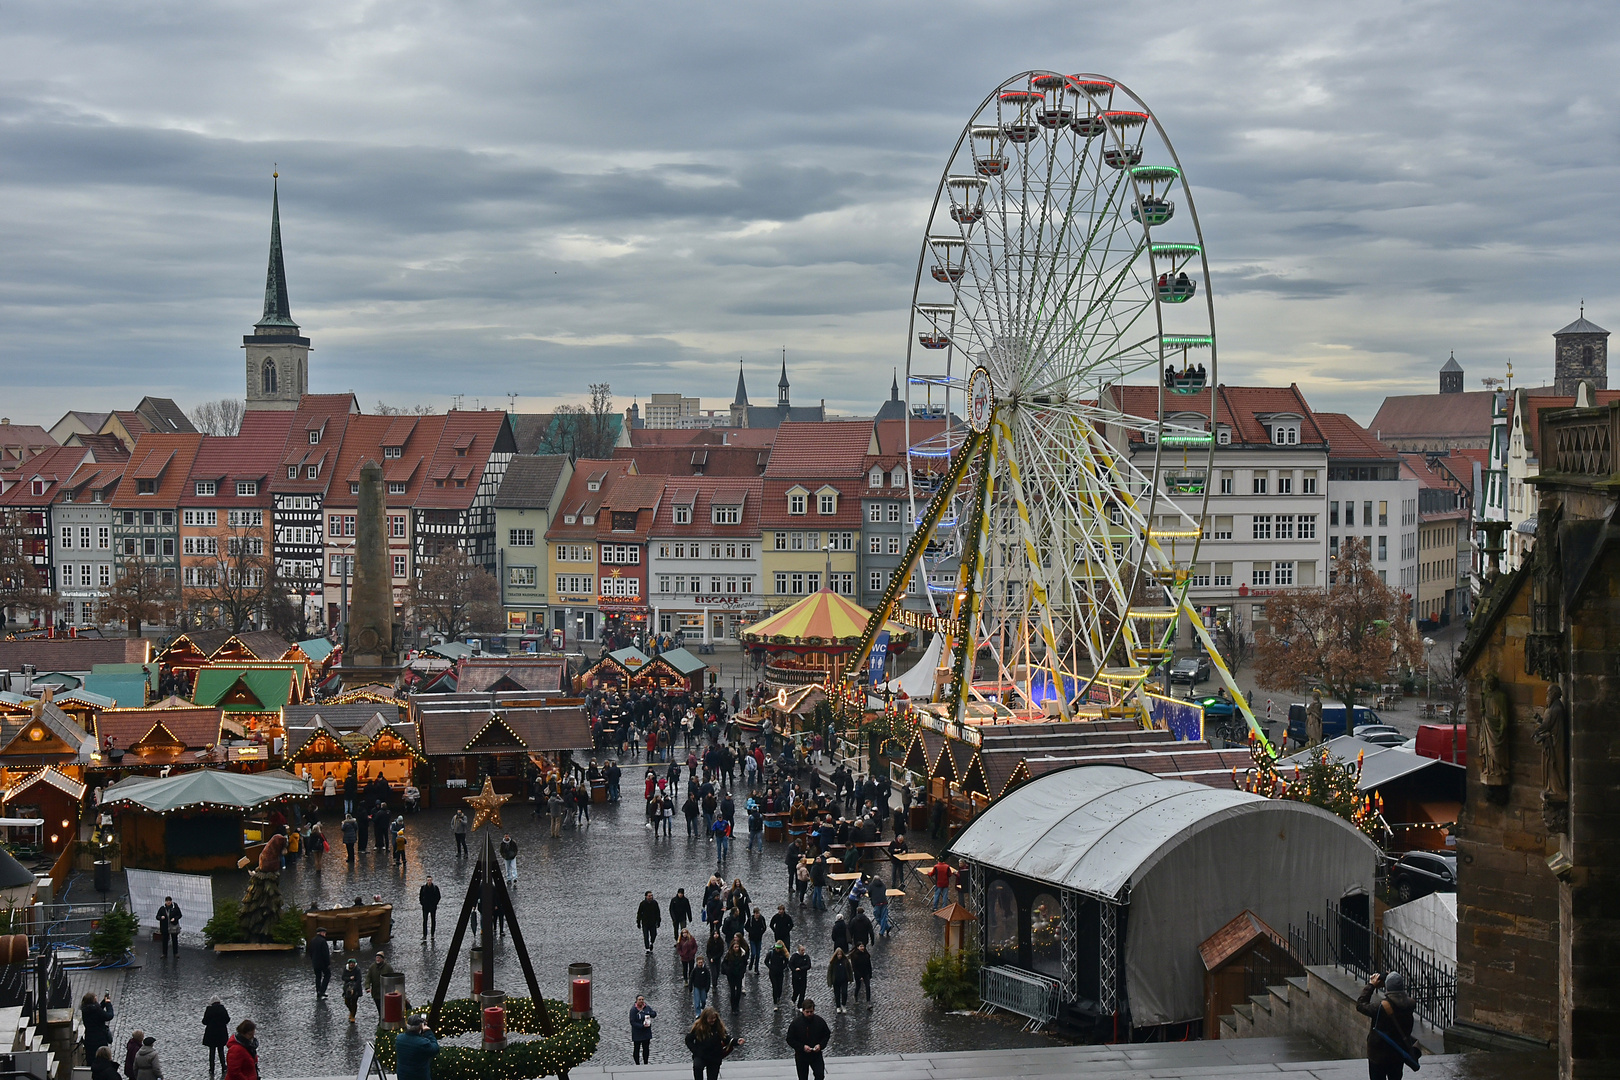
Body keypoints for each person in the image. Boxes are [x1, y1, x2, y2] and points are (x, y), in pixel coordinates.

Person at [1357, 972, 1421, 1079]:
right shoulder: (1410, 1004)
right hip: (1398, 1053)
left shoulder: (1381, 1007)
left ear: (1387, 987)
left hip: (1378, 1056)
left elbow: (1361, 1004)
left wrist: (1371, 985)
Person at [684, 1007, 742, 1080]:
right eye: (711, 1019)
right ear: (705, 1019)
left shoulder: (718, 1026)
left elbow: (726, 1038)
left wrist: (736, 1041)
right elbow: (688, 1040)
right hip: (701, 1055)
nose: (713, 1020)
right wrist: (695, 1051)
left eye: (714, 1018)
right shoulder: (698, 1027)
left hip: (714, 1056)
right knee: (697, 1067)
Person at [785, 998, 832, 1080]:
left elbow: (826, 1034)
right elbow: (790, 1039)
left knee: (820, 1075)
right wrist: (802, 1047)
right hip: (801, 1055)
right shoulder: (796, 1023)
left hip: (816, 1055)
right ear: (803, 1011)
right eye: (807, 1012)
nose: (809, 1014)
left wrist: (820, 1045)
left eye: (811, 1012)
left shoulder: (819, 1021)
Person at [394, 1014, 440, 1080]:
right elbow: (435, 1049)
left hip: (403, 1077)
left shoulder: (399, 1039)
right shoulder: (422, 1044)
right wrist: (428, 1032)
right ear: (420, 1027)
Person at [81, 992, 114, 1060]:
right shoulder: (96, 1010)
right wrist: (108, 1003)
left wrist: (103, 1002)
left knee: (91, 1058)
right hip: (100, 1039)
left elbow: (98, 1009)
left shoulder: (85, 1009)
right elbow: (109, 1016)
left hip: (89, 1038)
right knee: (102, 1057)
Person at [202, 999, 230, 1074]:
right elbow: (227, 1019)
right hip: (221, 1033)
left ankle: (211, 1068)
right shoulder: (222, 1009)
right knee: (221, 1051)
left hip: (211, 1033)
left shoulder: (209, 1009)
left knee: (212, 1051)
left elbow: (204, 1021)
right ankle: (223, 1066)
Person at [630, 994, 657, 1065]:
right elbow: (632, 1022)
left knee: (646, 1048)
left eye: (642, 999)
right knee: (637, 1048)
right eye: (640, 1000)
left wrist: (651, 1014)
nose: (641, 1001)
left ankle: (646, 1062)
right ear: (636, 1001)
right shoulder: (633, 1010)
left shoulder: (647, 1007)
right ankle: (637, 1063)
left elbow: (653, 1014)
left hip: (646, 1032)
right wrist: (641, 1026)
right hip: (637, 1033)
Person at [366, 952, 396, 1017]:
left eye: (379, 958)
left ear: (382, 959)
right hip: (376, 992)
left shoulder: (388, 967)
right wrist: (367, 987)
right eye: (376, 958)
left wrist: (392, 989)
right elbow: (368, 977)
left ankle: (385, 1019)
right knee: (379, 1007)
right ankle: (381, 1019)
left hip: (386, 992)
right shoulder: (372, 967)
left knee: (385, 1007)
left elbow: (393, 977)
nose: (377, 959)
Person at [721, 940, 748, 1010]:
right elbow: (724, 963)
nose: (736, 948)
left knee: (738, 991)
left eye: (737, 947)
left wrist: (742, 971)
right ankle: (733, 1006)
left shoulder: (742, 955)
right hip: (731, 975)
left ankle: (737, 1004)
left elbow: (745, 963)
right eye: (735, 947)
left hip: (739, 975)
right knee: (732, 991)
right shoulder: (729, 954)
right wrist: (727, 970)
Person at [825, 948, 853, 1014]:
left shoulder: (845, 961)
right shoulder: (833, 962)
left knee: (844, 993)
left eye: (840, 954)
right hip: (836, 981)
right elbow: (829, 972)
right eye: (838, 954)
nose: (839, 956)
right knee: (837, 994)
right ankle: (838, 1006)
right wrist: (830, 981)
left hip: (844, 980)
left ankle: (843, 1005)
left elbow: (850, 970)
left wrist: (850, 978)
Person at [765, 941, 789, 1009]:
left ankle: (778, 997)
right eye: (777, 949)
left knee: (780, 987)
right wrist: (770, 967)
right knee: (775, 987)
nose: (777, 950)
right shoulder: (771, 953)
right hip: (772, 973)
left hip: (780, 973)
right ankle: (775, 1002)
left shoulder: (782, 954)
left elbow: (786, 961)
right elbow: (766, 961)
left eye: (779, 949)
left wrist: (783, 967)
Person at [309, 927, 332, 997]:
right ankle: (322, 990)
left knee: (318, 977)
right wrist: (328, 963)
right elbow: (325, 954)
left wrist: (312, 960)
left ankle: (318, 990)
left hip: (315, 962)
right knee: (327, 975)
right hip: (323, 963)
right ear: (321, 933)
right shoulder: (323, 941)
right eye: (324, 933)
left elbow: (310, 952)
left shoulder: (312, 940)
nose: (325, 934)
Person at [341, 959, 364, 1023]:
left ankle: (353, 1016)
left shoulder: (357, 970)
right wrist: (349, 978)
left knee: (354, 1002)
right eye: (350, 963)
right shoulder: (346, 969)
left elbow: (359, 980)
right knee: (347, 1001)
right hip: (347, 988)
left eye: (353, 963)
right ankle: (351, 1011)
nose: (351, 964)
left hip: (356, 989)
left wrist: (354, 989)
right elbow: (343, 977)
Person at [746, 907, 766, 973]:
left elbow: (764, 927)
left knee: (758, 954)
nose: (758, 915)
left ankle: (756, 968)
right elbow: (746, 926)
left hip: (759, 939)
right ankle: (751, 964)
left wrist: (761, 933)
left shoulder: (761, 919)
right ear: (754, 913)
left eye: (758, 913)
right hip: (752, 939)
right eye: (756, 913)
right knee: (753, 953)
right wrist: (750, 931)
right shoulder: (751, 919)